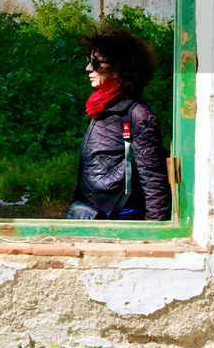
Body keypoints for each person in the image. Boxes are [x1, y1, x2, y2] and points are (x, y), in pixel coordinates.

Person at [66, 29, 171, 221]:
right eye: (89, 61)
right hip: (91, 216)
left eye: (97, 63)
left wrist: (153, 238)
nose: (89, 68)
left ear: (119, 69)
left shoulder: (138, 116)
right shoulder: (102, 107)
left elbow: (154, 183)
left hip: (118, 223)